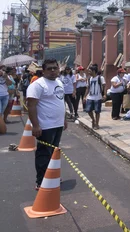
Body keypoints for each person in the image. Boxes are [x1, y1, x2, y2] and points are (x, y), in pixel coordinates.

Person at [26, 58, 67, 190]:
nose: (53, 71)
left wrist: (64, 119)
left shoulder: (59, 82)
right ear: (43, 70)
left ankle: (51, 176)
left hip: (58, 125)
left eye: (55, 68)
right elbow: (31, 106)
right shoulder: (37, 85)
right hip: (45, 126)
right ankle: (41, 181)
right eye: (49, 68)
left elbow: (60, 101)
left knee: (54, 153)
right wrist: (36, 125)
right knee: (43, 154)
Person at [84, 65, 105, 129]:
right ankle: (93, 119)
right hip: (90, 97)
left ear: (94, 71)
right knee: (88, 110)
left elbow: (104, 86)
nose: (89, 72)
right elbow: (88, 88)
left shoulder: (100, 78)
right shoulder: (89, 78)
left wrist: (104, 94)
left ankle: (97, 124)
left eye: (90, 71)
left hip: (98, 97)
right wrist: (84, 96)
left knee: (97, 111)